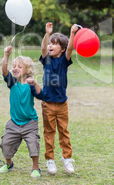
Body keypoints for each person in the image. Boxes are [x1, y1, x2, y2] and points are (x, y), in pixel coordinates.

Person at [39, 22, 78, 174]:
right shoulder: (46, 59)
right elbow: (43, 48)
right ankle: (50, 160)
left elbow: (70, 48)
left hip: (62, 103)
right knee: (49, 132)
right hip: (47, 103)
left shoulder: (63, 61)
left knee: (63, 131)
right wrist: (47, 34)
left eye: (54, 44)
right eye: (50, 43)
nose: (50, 46)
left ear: (61, 49)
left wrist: (72, 33)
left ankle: (66, 158)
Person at [0, 45, 43, 178]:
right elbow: (4, 71)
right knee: (5, 143)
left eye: (19, 66)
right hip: (14, 122)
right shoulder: (12, 82)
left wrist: (35, 83)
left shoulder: (30, 85)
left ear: (27, 70)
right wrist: (6, 55)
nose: (15, 68)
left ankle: (36, 168)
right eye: (14, 66)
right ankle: (9, 163)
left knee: (33, 145)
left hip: (29, 123)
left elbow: (40, 95)